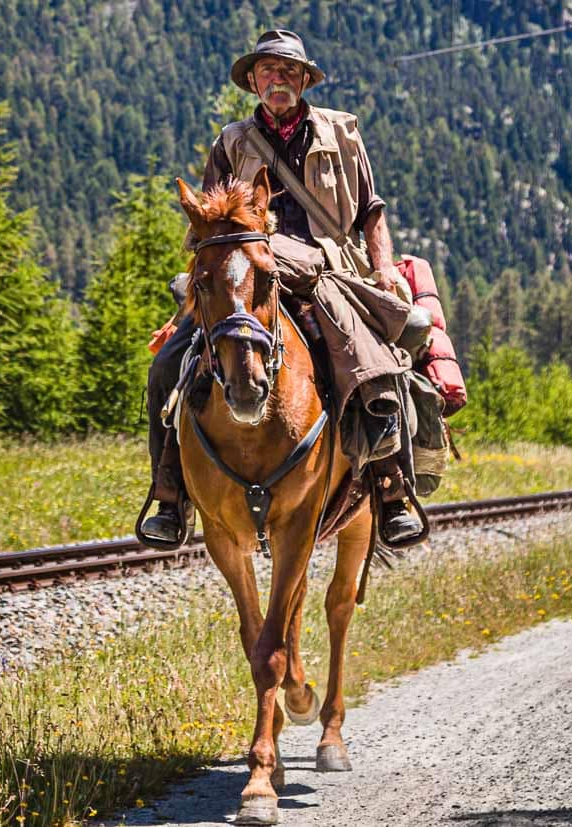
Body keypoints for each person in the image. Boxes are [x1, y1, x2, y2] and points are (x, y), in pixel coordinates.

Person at [141, 29, 424, 546]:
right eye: (268, 71)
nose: (279, 80)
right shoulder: (230, 143)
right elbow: (205, 222)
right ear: (252, 81)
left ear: (304, 80)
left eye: (289, 71)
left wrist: (382, 268)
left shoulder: (341, 133)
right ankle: (169, 495)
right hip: (248, 269)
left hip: (325, 266)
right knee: (167, 367)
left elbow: (370, 211)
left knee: (377, 360)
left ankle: (390, 489)